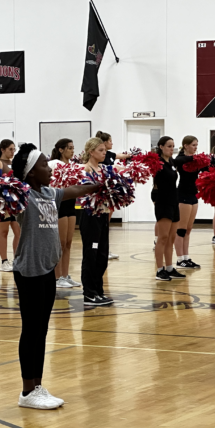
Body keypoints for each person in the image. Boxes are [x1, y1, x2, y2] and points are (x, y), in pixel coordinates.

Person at [11, 143, 98, 409]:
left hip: (48, 271)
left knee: (42, 330)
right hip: (29, 272)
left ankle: (37, 385)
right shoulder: (23, 196)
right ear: (30, 172)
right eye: (43, 165)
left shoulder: (49, 193)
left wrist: (99, 185)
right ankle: (27, 391)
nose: (49, 169)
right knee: (31, 330)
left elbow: (74, 190)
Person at [80, 138, 114, 306]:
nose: (104, 152)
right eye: (101, 150)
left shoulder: (104, 169)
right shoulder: (84, 169)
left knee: (102, 256)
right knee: (91, 255)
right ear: (91, 152)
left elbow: (119, 169)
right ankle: (89, 293)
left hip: (103, 215)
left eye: (104, 150)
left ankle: (98, 291)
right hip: (90, 215)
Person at [152, 137, 186, 282]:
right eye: (169, 146)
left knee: (172, 238)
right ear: (161, 147)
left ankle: (170, 268)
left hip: (174, 201)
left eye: (173, 146)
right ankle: (160, 270)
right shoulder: (157, 163)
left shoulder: (171, 162)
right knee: (163, 238)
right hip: (163, 202)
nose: (172, 149)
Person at [48, 138, 81, 288]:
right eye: (69, 148)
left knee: (68, 242)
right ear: (61, 150)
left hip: (71, 204)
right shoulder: (54, 163)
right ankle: (56, 277)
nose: (72, 151)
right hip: (59, 203)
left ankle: (65, 275)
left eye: (73, 148)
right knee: (59, 243)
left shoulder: (73, 166)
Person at [94, 131, 129, 260]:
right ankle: (100, 249)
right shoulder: (100, 157)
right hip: (101, 194)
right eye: (110, 141)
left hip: (110, 194)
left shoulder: (110, 155)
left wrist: (135, 156)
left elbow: (122, 156)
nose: (112, 143)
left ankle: (105, 249)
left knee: (106, 224)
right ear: (103, 142)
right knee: (102, 224)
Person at [173, 136, 203, 269]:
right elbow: (177, 161)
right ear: (185, 145)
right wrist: (196, 158)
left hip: (193, 195)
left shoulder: (195, 160)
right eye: (193, 145)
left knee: (189, 229)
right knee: (181, 229)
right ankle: (180, 259)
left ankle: (186, 257)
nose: (195, 148)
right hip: (183, 195)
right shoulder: (181, 159)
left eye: (197, 145)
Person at [0, 139, 20, 272]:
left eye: (14, 149)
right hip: (2, 202)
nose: (13, 152)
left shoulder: (16, 163)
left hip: (15, 202)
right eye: (10, 149)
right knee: (4, 231)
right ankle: (4, 262)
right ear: (3, 150)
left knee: (19, 232)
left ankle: (17, 260)